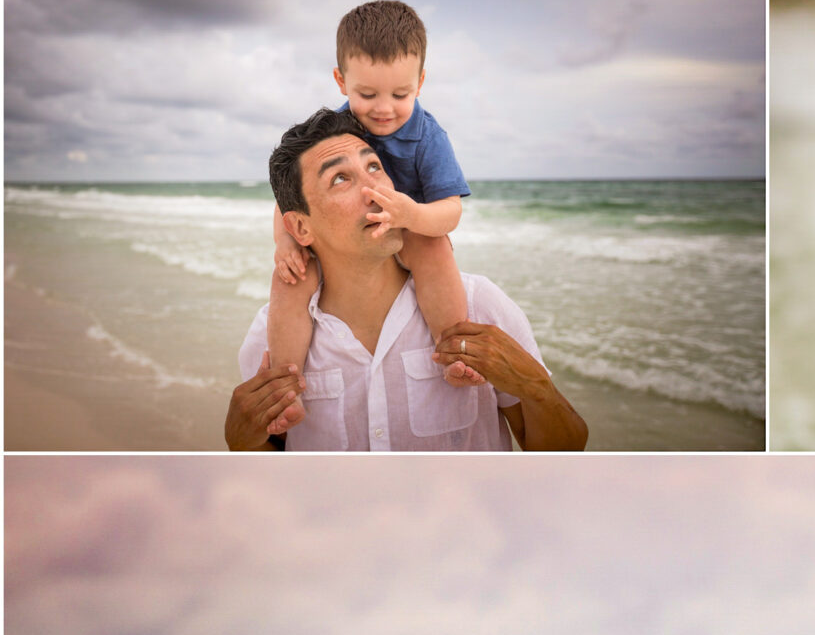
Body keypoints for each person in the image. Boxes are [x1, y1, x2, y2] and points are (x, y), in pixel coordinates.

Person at [227, 112, 587, 452]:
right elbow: (269, 473)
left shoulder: (479, 306)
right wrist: (241, 442)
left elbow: (568, 449)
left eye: (374, 167)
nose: (374, 190)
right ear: (300, 228)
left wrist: (537, 388)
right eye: (340, 178)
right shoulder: (272, 336)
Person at [267, 0, 479, 393]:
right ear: (341, 81)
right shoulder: (337, 130)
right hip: (348, 236)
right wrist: (284, 242)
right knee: (290, 278)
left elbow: (450, 211)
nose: (383, 110)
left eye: (400, 95)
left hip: (407, 230)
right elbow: (290, 196)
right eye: (367, 94)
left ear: (420, 83)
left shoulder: (428, 137)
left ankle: (453, 353)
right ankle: (284, 385)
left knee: (434, 249)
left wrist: (411, 216)